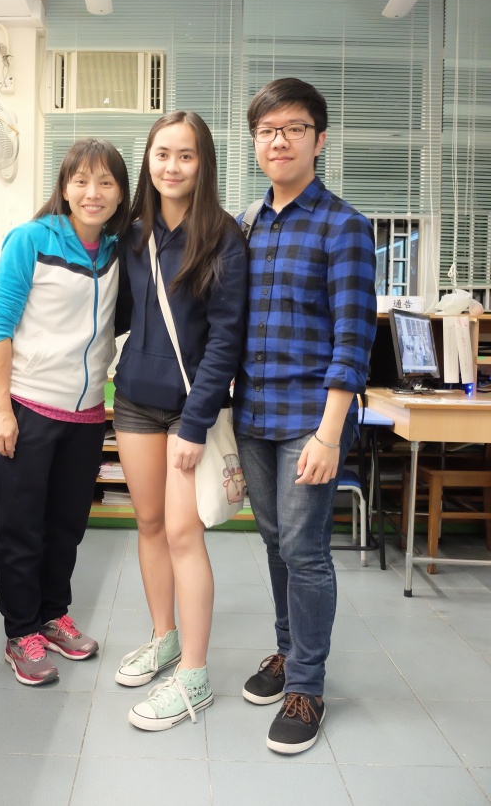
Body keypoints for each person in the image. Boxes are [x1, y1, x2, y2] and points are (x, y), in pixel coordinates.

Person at [233, 78, 377, 754]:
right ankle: (289, 650)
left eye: (293, 128)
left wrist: (329, 432)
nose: (279, 140)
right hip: (254, 414)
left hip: (309, 420)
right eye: (267, 130)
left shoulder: (344, 225)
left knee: (306, 549)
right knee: (274, 543)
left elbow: (354, 338)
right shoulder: (247, 224)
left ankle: (308, 686)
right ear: (255, 142)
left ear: (319, 140)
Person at [112, 111, 248, 730]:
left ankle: (194, 676)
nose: (172, 166)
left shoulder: (222, 236)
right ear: (148, 159)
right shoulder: (133, 232)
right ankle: (163, 637)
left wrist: (194, 426)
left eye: (185, 155)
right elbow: (121, 313)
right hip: (134, 400)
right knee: (148, 524)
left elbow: (225, 340)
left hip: (191, 410)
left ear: (203, 163)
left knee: (183, 535)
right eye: (162, 153)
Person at [0, 138, 131, 686]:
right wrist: (2, 410)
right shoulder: (31, 240)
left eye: (106, 182)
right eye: (81, 181)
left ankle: (52, 616)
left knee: (66, 528)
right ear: (65, 187)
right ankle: (20, 632)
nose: (93, 193)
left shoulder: (117, 251)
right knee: (21, 528)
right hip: (28, 407)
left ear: (121, 193)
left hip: (88, 414)